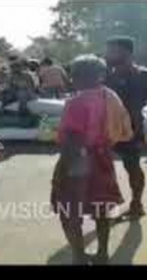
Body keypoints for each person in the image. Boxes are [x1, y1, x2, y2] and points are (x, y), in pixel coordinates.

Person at [50, 54, 133, 265]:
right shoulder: (110, 96)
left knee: (69, 211)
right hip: (102, 157)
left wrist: (61, 173)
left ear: (76, 76)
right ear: (100, 76)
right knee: (101, 208)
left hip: (78, 160)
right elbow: (124, 128)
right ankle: (102, 254)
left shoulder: (76, 103)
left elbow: (73, 140)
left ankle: (79, 257)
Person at [105, 36, 147, 220]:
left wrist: (129, 124)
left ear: (127, 52)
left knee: (132, 167)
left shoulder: (144, 75)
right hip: (106, 129)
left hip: (131, 130)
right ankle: (109, 206)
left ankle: (137, 204)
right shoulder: (106, 75)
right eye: (109, 50)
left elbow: (145, 100)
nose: (109, 54)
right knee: (103, 169)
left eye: (113, 50)